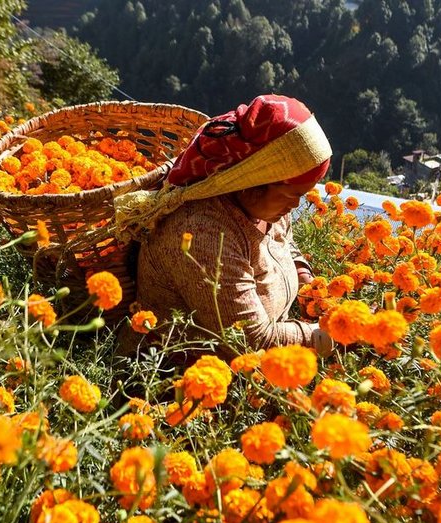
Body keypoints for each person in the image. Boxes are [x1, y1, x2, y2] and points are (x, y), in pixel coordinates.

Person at [115, 94, 334, 363]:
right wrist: (335, 334)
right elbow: (250, 342)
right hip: (171, 383)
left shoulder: (268, 207)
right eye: (293, 193)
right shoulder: (202, 234)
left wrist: (305, 279)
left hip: (255, 372)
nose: (297, 204)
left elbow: (284, 241)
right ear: (256, 180)